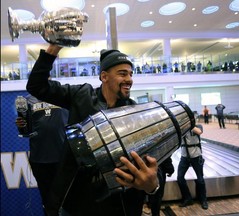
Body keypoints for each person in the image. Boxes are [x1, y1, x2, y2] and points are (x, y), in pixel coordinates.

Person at [26, 44, 159, 216]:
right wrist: (53, 48)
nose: (129, 79)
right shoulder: (82, 96)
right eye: (122, 73)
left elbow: (153, 165)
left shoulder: (136, 114)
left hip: (119, 207)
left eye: (131, 74)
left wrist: (152, 185)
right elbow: (37, 86)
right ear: (104, 76)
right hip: (76, 204)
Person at [15, 94, 68, 215]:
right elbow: (26, 130)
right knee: (48, 200)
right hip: (40, 158)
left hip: (64, 158)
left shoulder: (63, 93)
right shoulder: (28, 100)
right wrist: (21, 126)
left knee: (67, 200)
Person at [177, 124, 208, 210]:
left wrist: (188, 125)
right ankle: (187, 198)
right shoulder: (180, 128)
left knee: (200, 179)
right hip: (184, 157)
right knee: (180, 178)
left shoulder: (197, 126)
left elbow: (199, 132)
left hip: (196, 156)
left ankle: (203, 200)